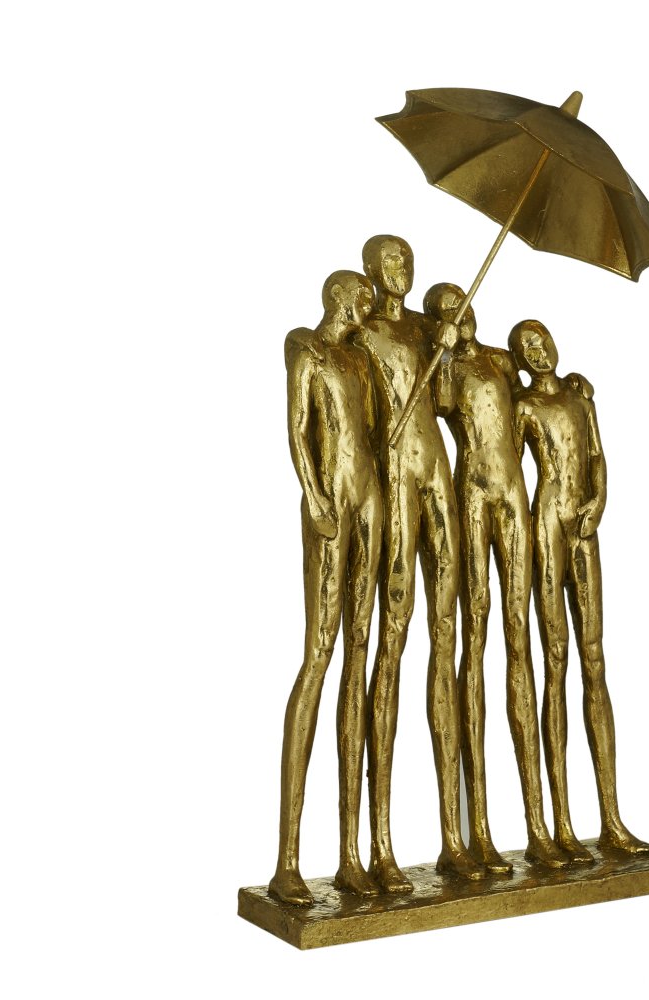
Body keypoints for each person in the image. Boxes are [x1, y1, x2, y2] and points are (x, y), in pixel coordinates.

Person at [355, 236, 481, 891]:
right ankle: (380, 843)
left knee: (447, 632)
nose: (400, 270)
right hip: (395, 475)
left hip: (438, 470)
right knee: (393, 638)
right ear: (371, 271)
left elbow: (453, 406)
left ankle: (455, 838)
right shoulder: (363, 332)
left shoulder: (430, 332)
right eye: (389, 261)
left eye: (406, 260)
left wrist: (451, 351)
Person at [429, 284, 569, 871]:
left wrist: (574, 386)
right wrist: (441, 351)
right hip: (472, 491)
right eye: (446, 309)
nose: (460, 312)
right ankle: (477, 829)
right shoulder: (446, 367)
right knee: (476, 633)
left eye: (462, 303)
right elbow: (439, 403)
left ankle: (539, 825)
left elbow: (535, 397)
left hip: (513, 491)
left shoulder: (502, 362)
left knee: (521, 635)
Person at [510, 319, 649, 856]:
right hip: (546, 521)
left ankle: (611, 817)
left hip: (583, 522)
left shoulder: (578, 395)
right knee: (555, 660)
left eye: (542, 340)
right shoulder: (524, 406)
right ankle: (560, 824)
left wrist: (599, 500)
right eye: (527, 348)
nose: (539, 352)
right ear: (519, 360)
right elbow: (506, 466)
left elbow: (595, 454)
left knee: (595, 659)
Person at [268, 271, 384, 906]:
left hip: (370, 498)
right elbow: (298, 430)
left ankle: (350, 854)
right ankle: (287, 860)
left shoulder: (362, 360)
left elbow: (373, 433)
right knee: (319, 654)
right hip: (331, 503)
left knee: (360, 655)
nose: (371, 302)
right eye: (363, 294)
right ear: (341, 298)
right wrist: (314, 497)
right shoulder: (306, 348)